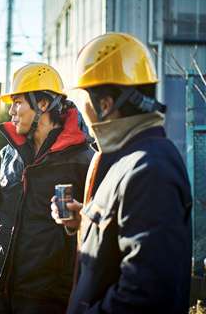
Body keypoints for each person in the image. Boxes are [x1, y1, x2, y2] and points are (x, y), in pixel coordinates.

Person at [53, 32, 192, 314]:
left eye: (86, 100)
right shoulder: (129, 158)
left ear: (106, 105)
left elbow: (145, 296)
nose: (83, 111)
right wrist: (85, 220)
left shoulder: (150, 169)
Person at [0, 63, 92, 314]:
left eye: (18, 102)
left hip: (47, 294)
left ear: (43, 105)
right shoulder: (7, 154)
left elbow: (97, 228)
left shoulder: (84, 159)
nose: (11, 111)